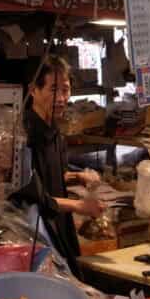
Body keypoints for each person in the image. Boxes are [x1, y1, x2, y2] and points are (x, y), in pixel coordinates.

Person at [18, 56, 103, 277]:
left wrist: (77, 177)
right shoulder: (25, 135)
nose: (61, 98)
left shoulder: (54, 131)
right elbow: (36, 196)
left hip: (59, 225)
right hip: (37, 231)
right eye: (54, 89)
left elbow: (52, 175)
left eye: (66, 90)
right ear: (33, 90)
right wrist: (79, 206)